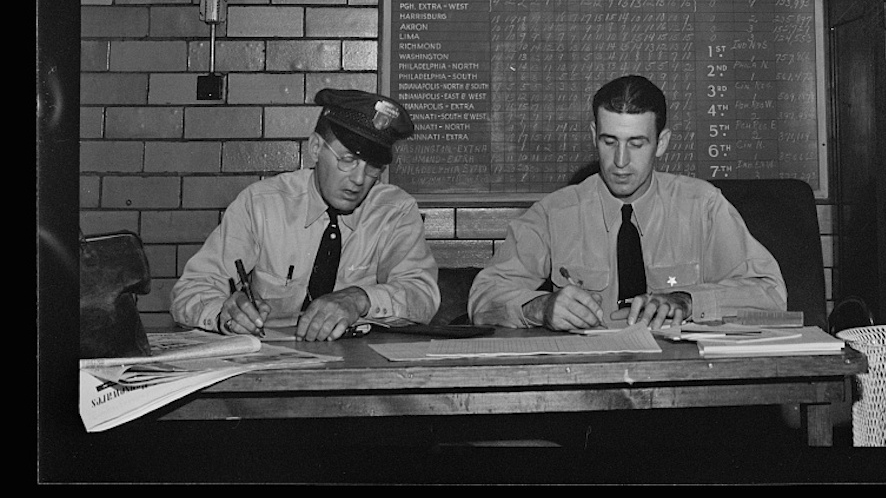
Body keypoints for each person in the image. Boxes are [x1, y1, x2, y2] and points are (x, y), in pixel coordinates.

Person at [468, 75, 786, 331]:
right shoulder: (555, 213)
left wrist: (688, 300)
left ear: (661, 143)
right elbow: (483, 296)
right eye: (609, 142)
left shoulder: (702, 207)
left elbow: (770, 295)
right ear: (594, 136)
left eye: (636, 144)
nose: (620, 162)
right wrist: (540, 308)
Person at [170, 88, 439, 342]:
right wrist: (224, 315)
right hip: (269, 367)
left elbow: (422, 296)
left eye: (373, 168)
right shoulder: (261, 204)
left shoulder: (395, 211)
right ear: (315, 148)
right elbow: (190, 291)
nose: (359, 179)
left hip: (358, 369)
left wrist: (359, 299)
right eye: (347, 160)